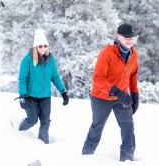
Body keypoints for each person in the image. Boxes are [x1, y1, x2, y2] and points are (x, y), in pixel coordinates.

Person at [82, 23, 140, 161]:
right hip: (101, 97)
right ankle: (85, 158)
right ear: (118, 37)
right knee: (97, 128)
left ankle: (127, 159)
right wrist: (118, 92)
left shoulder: (133, 54)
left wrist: (135, 95)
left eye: (132, 38)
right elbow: (98, 78)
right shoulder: (107, 53)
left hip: (122, 98)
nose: (130, 40)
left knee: (128, 129)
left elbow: (133, 75)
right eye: (127, 38)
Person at [18, 28, 69, 144]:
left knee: (45, 122)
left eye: (45, 46)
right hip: (30, 96)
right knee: (32, 120)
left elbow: (55, 76)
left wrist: (63, 92)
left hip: (45, 97)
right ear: (36, 47)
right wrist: (22, 96)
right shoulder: (28, 60)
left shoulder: (51, 60)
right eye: (40, 46)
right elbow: (22, 79)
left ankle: (43, 145)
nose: (43, 48)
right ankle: (19, 131)